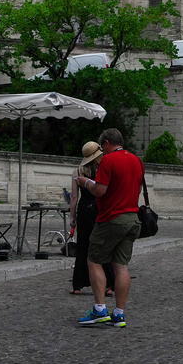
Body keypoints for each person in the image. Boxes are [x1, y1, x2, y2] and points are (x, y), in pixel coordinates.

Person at [73, 128, 143, 328]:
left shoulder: (108, 160)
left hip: (111, 218)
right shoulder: (137, 161)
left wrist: (86, 183)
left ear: (105, 143)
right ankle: (119, 314)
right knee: (121, 266)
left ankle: (99, 309)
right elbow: (136, 189)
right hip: (132, 218)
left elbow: (100, 190)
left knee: (93, 261)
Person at [69, 141, 108, 295]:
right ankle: (108, 285)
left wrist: (72, 217)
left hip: (84, 209)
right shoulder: (103, 170)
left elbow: (73, 197)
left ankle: (77, 285)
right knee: (103, 246)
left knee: (83, 246)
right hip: (100, 208)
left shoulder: (78, 171)